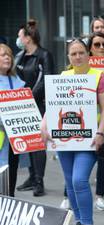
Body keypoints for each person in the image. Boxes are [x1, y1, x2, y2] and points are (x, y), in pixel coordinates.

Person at [41, 39, 104, 225]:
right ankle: (79, 220)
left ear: (88, 54)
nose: (78, 57)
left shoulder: (99, 76)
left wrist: (101, 132)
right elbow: (54, 105)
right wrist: (44, 124)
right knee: (71, 182)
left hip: (88, 139)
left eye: (81, 52)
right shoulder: (64, 75)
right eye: (73, 54)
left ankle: (87, 222)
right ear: (68, 57)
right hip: (64, 139)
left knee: (79, 180)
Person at [14, 19, 55, 197]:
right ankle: (31, 177)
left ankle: (39, 180)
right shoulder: (21, 56)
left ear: (28, 38)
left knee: (38, 143)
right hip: (23, 104)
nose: (18, 39)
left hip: (39, 104)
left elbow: (47, 80)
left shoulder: (44, 55)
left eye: (20, 36)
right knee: (27, 141)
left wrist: (29, 96)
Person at [0, 44, 26, 197]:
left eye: (9, 55)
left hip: (14, 138)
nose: (7, 58)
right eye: (3, 55)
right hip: (2, 136)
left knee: (12, 171)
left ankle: (9, 202)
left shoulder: (16, 80)